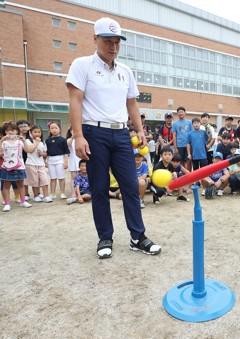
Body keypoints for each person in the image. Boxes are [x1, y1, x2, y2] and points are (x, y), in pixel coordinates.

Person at [66, 16, 161, 259]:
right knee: (99, 188)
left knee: (130, 185)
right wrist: (78, 136)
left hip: (121, 134)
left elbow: (132, 103)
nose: (113, 46)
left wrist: (139, 129)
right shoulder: (82, 64)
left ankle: (137, 237)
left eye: (117, 41)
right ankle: (105, 237)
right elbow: (75, 101)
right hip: (93, 132)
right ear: (95, 39)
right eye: (108, 41)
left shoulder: (126, 71)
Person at [0, 121, 32, 211]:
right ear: (5, 132)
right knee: (6, 186)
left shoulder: (20, 141)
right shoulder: (4, 142)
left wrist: (24, 141)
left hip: (19, 166)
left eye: (13, 130)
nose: (10, 132)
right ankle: (7, 203)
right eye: (8, 130)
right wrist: (1, 140)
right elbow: (0, 153)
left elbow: (28, 150)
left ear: (17, 131)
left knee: (21, 185)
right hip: (7, 167)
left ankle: (23, 201)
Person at [24, 125, 52, 203]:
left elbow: (45, 153)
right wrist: (36, 142)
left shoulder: (42, 142)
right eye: (35, 132)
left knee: (44, 180)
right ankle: (36, 195)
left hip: (41, 164)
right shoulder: (27, 141)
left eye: (39, 132)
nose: (37, 134)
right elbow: (29, 150)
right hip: (31, 164)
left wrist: (42, 154)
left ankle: (46, 196)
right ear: (30, 133)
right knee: (34, 181)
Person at [46, 122, 70, 199]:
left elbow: (66, 152)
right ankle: (52, 193)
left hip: (60, 160)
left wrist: (66, 162)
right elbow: (47, 152)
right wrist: (45, 161)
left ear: (59, 129)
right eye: (52, 128)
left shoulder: (63, 140)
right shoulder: (47, 140)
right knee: (52, 178)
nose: (54, 130)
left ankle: (62, 193)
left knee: (61, 177)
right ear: (49, 130)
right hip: (50, 160)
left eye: (56, 128)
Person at [16, 120, 31, 200]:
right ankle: (26, 194)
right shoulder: (16, 137)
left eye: (25, 126)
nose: (23, 128)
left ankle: (37, 193)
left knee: (32, 177)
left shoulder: (32, 137)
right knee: (22, 178)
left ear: (29, 127)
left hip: (31, 160)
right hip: (20, 160)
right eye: (21, 126)